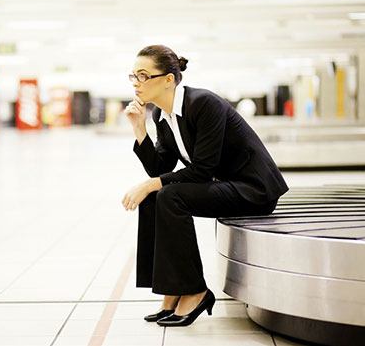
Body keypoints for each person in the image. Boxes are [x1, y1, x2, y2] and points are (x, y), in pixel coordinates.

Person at [121, 45, 288, 327]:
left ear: (168, 79)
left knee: (169, 194)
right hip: (224, 184)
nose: (136, 83)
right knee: (155, 196)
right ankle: (172, 289)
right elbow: (160, 167)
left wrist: (151, 184)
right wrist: (140, 129)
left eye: (143, 75)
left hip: (252, 189)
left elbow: (202, 170)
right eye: (133, 76)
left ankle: (196, 291)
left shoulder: (203, 104)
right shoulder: (162, 115)